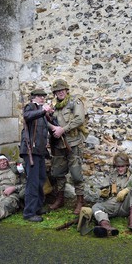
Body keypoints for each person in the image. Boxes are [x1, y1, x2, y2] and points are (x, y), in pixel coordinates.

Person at [48, 78, 87, 215]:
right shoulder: (54, 107)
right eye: (57, 91)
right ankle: (60, 199)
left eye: (62, 90)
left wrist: (62, 129)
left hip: (73, 143)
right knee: (58, 173)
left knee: (76, 175)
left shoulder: (74, 102)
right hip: (58, 145)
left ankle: (80, 201)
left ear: (66, 90)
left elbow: (79, 119)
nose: (60, 93)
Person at [91, 153, 132, 237]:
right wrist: (103, 193)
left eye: (122, 166)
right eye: (118, 167)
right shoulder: (111, 175)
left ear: (127, 165)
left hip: (127, 206)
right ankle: (106, 225)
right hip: (113, 204)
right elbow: (101, 189)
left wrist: (127, 190)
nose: (120, 169)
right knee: (95, 207)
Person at [20, 88, 53, 222]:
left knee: (40, 179)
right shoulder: (31, 107)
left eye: (43, 96)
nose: (42, 98)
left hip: (39, 151)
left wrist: (50, 114)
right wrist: (43, 110)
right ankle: (29, 212)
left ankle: (37, 207)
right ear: (33, 97)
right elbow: (27, 116)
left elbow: (49, 127)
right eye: (40, 96)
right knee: (32, 182)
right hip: (30, 151)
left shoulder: (41, 112)